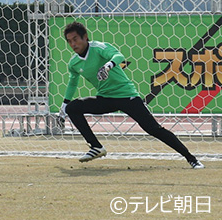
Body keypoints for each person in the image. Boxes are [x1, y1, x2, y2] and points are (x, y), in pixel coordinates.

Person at [58, 21, 203, 169]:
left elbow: (118, 55)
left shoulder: (98, 48)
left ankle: (191, 159)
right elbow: (72, 83)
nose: (73, 44)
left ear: (85, 37)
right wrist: (64, 105)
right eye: (69, 41)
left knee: (153, 129)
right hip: (106, 98)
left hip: (127, 96)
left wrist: (108, 66)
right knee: (72, 108)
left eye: (75, 39)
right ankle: (96, 147)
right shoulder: (74, 63)